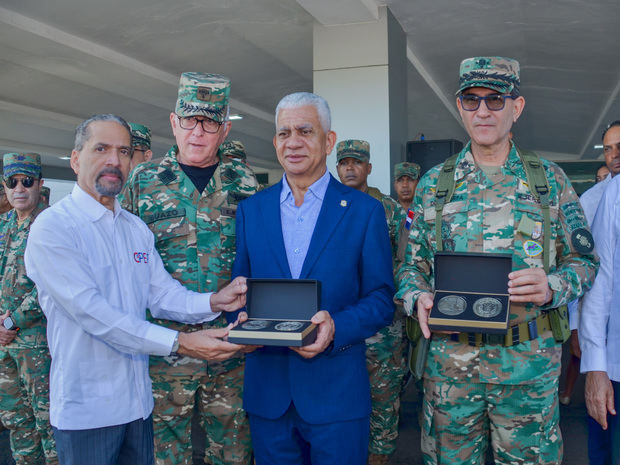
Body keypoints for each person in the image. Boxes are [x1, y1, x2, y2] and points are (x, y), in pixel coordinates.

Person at [395, 56, 598, 465]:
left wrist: (552, 287)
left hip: (527, 370)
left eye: (495, 99)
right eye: (471, 100)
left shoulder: (550, 181)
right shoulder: (435, 184)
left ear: (516, 107)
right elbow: (409, 266)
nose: (483, 111)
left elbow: (584, 261)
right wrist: (416, 296)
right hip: (450, 370)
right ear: (459, 106)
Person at [24, 114, 250, 465]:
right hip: (88, 412)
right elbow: (95, 315)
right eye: (101, 149)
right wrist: (182, 342)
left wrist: (214, 301)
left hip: (138, 405)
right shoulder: (54, 228)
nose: (114, 160)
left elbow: (161, 296)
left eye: (124, 151)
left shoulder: (134, 229)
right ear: (75, 159)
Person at [231, 92, 395, 465]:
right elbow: (238, 291)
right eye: (284, 133)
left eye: (305, 131)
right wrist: (238, 323)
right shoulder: (251, 211)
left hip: (336, 394)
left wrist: (336, 325)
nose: (293, 142)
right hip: (268, 394)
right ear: (274, 142)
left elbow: (382, 298)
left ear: (329, 140)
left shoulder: (364, 212)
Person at [120, 73, 258, 465]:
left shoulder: (244, 183)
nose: (198, 132)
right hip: (164, 349)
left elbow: (260, 260)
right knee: (164, 454)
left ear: (225, 128)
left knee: (232, 451)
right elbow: (124, 266)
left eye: (210, 122)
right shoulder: (142, 183)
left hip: (231, 343)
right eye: (189, 120)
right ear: (173, 122)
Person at [335, 139, 407, 465]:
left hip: (383, 325)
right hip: (340, 320)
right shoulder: (327, 207)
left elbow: (407, 263)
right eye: (344, 162)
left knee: (383, 398)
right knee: (341, 398)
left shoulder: (390, 209)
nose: (350, 168)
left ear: (369, 168)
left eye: (357, 162)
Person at [0, 153, 57, 465]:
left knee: (47, 422)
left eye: (27, 181)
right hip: (4, 345)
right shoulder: (3, 225)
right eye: (12, 182)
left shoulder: (53, 224)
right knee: (16, 420)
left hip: (38, 344)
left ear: (40, 184)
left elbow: (52, 283)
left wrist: (12, 320)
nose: (19, 188)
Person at [577, 121, 620, 465]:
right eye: (608, 148)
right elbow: (596, 278)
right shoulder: (606, 196)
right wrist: (594, 361)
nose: (615, 155)